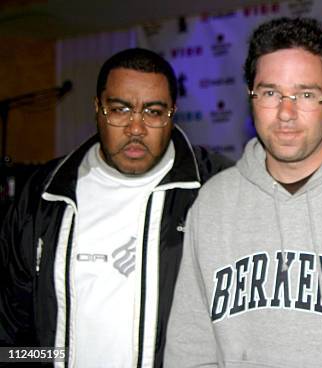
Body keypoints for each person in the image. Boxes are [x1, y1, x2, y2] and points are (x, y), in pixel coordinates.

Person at [164, 17, 322, 367]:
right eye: (271, 92)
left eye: (305, 94)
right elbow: (190, 347)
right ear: (251, 99)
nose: (286, 113)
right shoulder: (214, 203)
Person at [0, 48, 232, 367]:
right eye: (120, 109)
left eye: (153, 112)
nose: (135, 129)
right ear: (98, 108)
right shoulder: (44, 194)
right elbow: (11, 330)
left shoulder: (215, 188)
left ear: (172, 113)